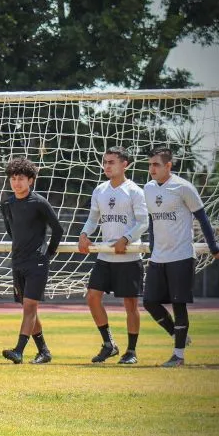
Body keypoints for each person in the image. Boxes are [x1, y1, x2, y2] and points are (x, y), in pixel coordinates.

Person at [142, 147, 219, 367]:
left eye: (156, 165)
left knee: (178, 305)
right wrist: (152, 245)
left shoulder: (184, 187)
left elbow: (203, 219)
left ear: (168, 166)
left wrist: (213, 247)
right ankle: (180, 337)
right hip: (158, 257)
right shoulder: (148, 188)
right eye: (150, 165)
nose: (152, 169)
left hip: (182, 256)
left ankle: (178, 355)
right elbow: (152, 219)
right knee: (149, 302)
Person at [78, 146, 148, 364]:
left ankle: (131, 352)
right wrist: (84, 234)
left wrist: (126, 239)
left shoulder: (134, 191)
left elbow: (143, 222)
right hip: (105, 256)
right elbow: (93, 219)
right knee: (92, 297)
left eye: (112, 162)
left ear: (124, 164)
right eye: (105, 161)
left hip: (128, 256)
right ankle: (109, 344)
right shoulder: (99, 190)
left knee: (130, 305)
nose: (107, 165)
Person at [0, 157, 63, 364]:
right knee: (29, 309)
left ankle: (18, 350)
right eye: (13, 178)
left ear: (31, 180)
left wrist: (48, 252)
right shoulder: (7, 204)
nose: (16, 183)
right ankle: (44, 351)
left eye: (21, 179)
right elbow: (12, 231)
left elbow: (58, 229)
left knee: (29, 308)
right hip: (17, 262)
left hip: (37, 263)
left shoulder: (39, 203)